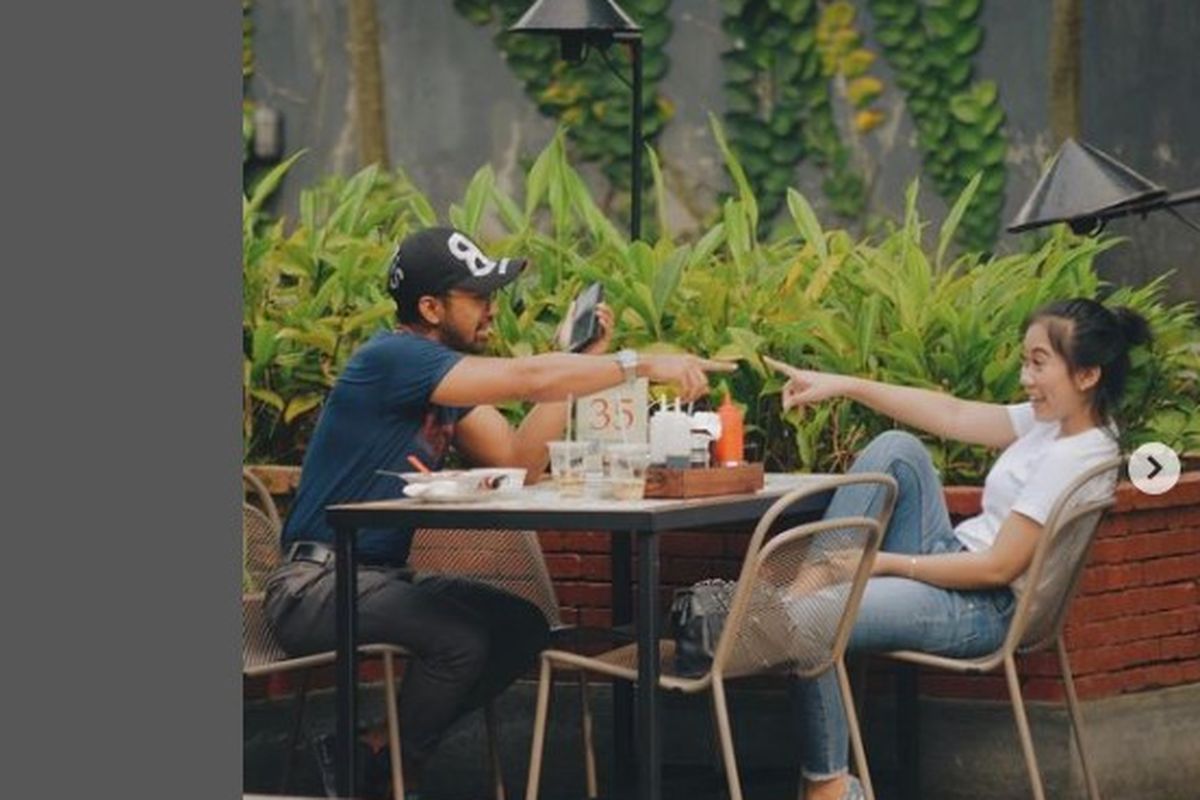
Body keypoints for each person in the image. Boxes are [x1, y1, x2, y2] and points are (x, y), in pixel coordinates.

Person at [264, 226, 734, 799]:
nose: (492, 310)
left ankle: (373, 750)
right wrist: (639, 364)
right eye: (478, 298)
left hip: (377, 579)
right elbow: (528, 378)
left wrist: (581, 363)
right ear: (431, 308)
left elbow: (518, 459)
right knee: (459, 639)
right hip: (315, 585)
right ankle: (391, 777)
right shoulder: (395, 358)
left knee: (520, 626)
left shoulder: (441, 382)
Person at [765, 298, 1151, 800]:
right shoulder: (1059, 423)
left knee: (814, 621)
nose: (1025, 377)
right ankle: (804, 594)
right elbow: (953, 413)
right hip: (954, 560)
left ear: (1086, 375)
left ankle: (830, 786)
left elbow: (997, 568)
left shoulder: (1073, 456)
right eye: (1024, 361)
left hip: (981, 605)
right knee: (896, 451)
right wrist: (846, 385)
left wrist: (880, 564)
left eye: (1039, 363)